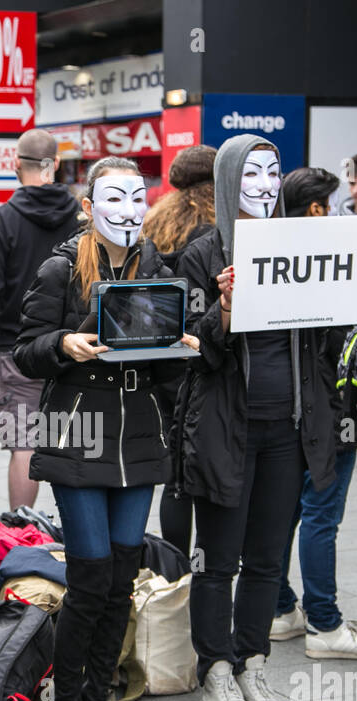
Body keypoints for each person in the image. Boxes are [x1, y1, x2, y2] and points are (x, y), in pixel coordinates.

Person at [15, 156, 198, 701]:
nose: (128, 210)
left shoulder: (159, 267)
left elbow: (166, 353)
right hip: (80, 429)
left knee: (121, 579)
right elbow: (26, 348)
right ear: (89, 207)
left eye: (138, 197)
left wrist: (186, 342)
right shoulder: (62, 267)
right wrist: (62, 344)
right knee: (91, 577)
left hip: (139, 434)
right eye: (114, 199)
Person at [174, 135, 337, 701]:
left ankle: (252, 662)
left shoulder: (302, 243)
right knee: (220, 560)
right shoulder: (201, 253)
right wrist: (221, 307)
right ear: (226, 181)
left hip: (289, 429)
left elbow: (325, 343)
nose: (266, 185)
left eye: (273, 173)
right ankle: (215, 670)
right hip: (226, 427)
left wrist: (350, 291)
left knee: (268, 558)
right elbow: (193, 350)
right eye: (252, 173)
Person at [269, 167, 357, 659]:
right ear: (317, 208)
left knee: (284, 514)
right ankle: (325, 624)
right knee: (321, 514)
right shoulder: (336, 257)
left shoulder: (272, 250)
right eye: (333, 202)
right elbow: (347, 340)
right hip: (332, 404)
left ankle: (280, 609)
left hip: (285, 404)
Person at [0, 128, 81, 511]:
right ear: (57, 165)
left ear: (16, 165)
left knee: (23, 442)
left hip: (16, 346)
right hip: (74, 346)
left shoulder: (0, 220)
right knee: (80, 439)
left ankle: (22, 530)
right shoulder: (83, 218)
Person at [143, 143, 218, 555]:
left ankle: (176, 564)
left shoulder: (154, 221)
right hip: (206, 356)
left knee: (175, 476)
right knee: (207, 463)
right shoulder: (220, 226)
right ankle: (211, 559)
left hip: (163, 356)